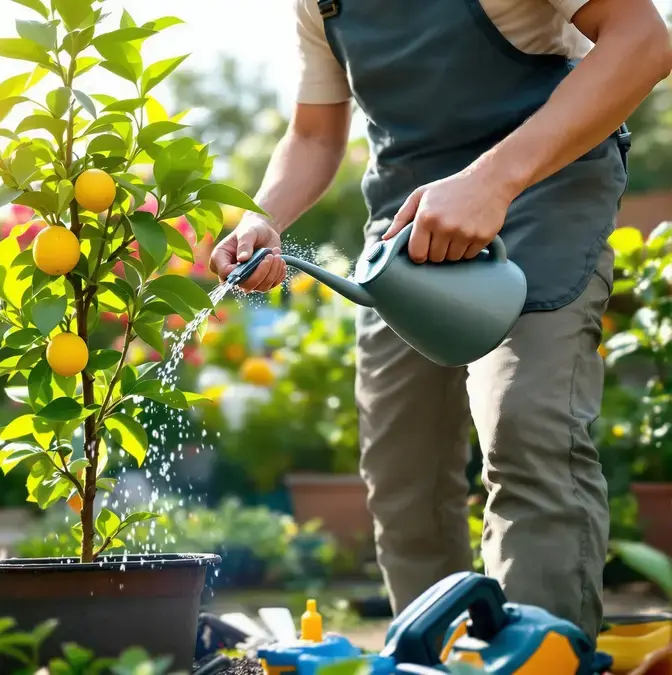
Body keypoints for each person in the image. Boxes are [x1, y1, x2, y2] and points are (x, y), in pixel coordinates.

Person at [209, 0, 672, 640]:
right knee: (405, 471)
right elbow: (315, 133)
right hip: (405, 235)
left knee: (526, 425)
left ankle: (542, 654)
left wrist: (493, 181)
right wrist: (262, 216)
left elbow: (643, 40)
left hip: (543, 196)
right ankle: (437, 655)